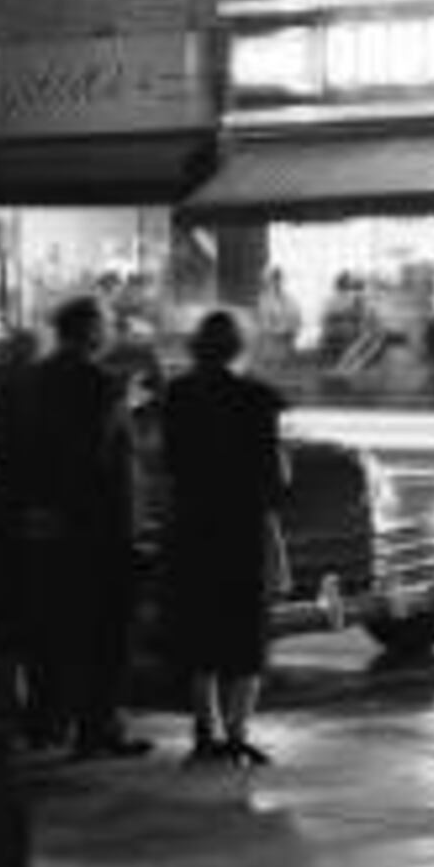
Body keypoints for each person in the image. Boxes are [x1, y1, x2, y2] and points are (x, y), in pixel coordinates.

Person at [0, 295, 149, 759]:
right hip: (99, 529)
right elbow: (98, 456)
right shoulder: (103, 386)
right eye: (106, 324)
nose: (111, 331)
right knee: (104, 634)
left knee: (49, 628)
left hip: (44, 526)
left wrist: (33, 502)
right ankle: (96, 728)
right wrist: (125, 405)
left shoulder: (29, 382)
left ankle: (45, 722)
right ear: (91, 332)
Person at [157, 309, 291, 768]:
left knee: (201, 633)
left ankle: (203, 732)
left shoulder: (177, 395)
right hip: (240, 529)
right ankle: (237, 734)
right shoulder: (257, 399)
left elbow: (169, 466)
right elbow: (273, 479)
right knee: (245, 636)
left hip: (192, 527)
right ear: (240, 347)